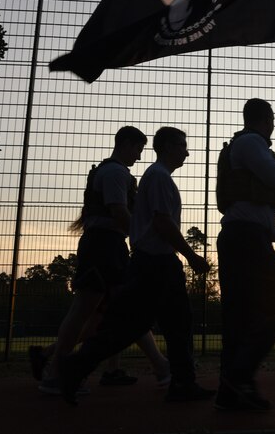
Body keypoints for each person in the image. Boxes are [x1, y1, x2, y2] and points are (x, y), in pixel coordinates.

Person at [58, 126, 214, 405]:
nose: (187, 152)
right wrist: (191, 256)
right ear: (166, 147)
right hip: (157, 263)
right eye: (182, 145)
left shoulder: (155, 177)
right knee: (136, 326)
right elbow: (162, 222)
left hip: (153, 261)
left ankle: (181, 381)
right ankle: (74, 367)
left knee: (161, 323)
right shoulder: (159, 179)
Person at [28, 126, 170, 394]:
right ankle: (57, 374)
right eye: (138, 149)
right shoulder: (115, 173)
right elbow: (119, 212)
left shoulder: (110, 172)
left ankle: (147, 367)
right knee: (87, 311)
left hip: (106, 244)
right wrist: (142, 239)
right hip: (105, 245)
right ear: (126, 144)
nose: (139, 156)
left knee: (118, 311)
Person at [214, 98, 275, 411]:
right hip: (246, 240)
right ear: (266, 119)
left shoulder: (244, 147)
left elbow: (253, 209)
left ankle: (232, 392)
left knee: (240, 319)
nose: (274, 125)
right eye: (272, 119)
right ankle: (238, 376)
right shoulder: (250, 142)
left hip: (245, 236)